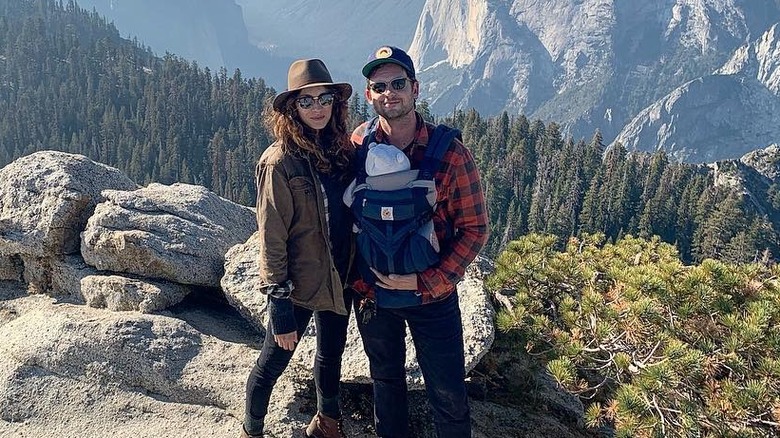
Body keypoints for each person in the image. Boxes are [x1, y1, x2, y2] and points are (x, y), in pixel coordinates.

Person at [349, 45, 489, 437]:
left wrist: (426, 281)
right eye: (379, 86)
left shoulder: (451, 155)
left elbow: (475, 229)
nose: (389, 92)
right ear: (368, 95)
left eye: (397, 84)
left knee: (448, 394)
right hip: (373, 295)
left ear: (415, 88)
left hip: (433, 297)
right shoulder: (357, 146)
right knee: (386, 385)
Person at [242, 58, 354, 438]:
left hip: (340, 277)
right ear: (292, 109)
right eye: (306, 102)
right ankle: (251, 430)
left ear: (335, 103)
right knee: (273, 361)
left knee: (331, 355)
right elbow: (272, 237)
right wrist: (280, 303)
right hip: (300, 286)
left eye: (324, 98)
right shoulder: (280, 162)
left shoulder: (339, 151)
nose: (317, 108)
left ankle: (327, 424)